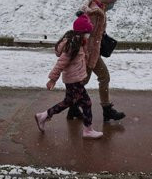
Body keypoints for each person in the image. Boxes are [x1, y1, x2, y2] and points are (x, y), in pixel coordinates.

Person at [35, 11, 103, 139]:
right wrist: (52, 79)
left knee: (68, 102)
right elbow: (61, 62)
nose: (88, 36)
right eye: (87, 33)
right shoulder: (73, 45)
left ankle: (43, 116)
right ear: (82, 32)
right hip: (73, 80)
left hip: (74, 79)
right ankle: (88, 130)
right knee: (86, 103)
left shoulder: (78, 42)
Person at [67, 0, 126, 122]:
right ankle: (69, 108)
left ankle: (77, 108)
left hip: (93, 52)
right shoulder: (95, 12)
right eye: (112, 2)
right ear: (106, 0)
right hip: (89, 53)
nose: (113, 5)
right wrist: (87, 54)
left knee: (97, 78)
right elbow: (87, 33)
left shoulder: (98, 9)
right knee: (85, 81)